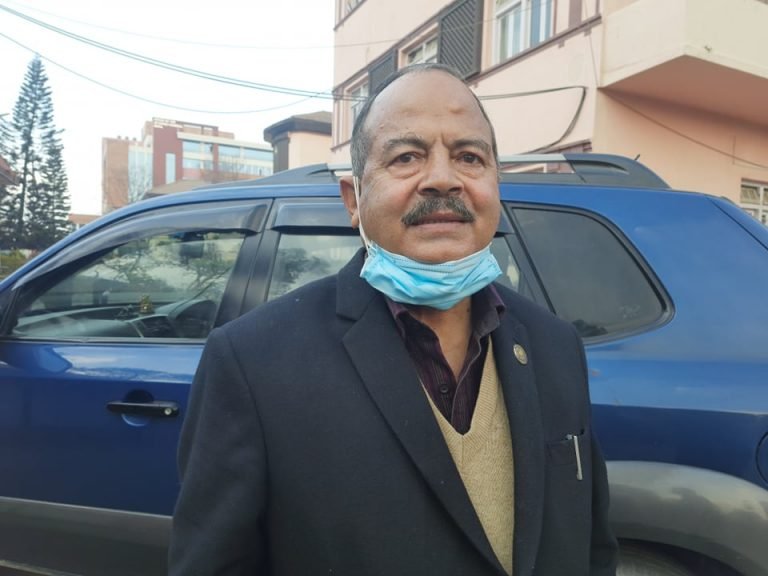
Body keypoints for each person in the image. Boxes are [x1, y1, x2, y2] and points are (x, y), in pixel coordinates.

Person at [168, 63, 618, 576]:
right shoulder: (253, 363)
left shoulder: (555, 345)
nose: (443, 178)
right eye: (407, 157)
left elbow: (592, 547)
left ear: (496, 185)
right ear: (353, 199)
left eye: (469, 157)